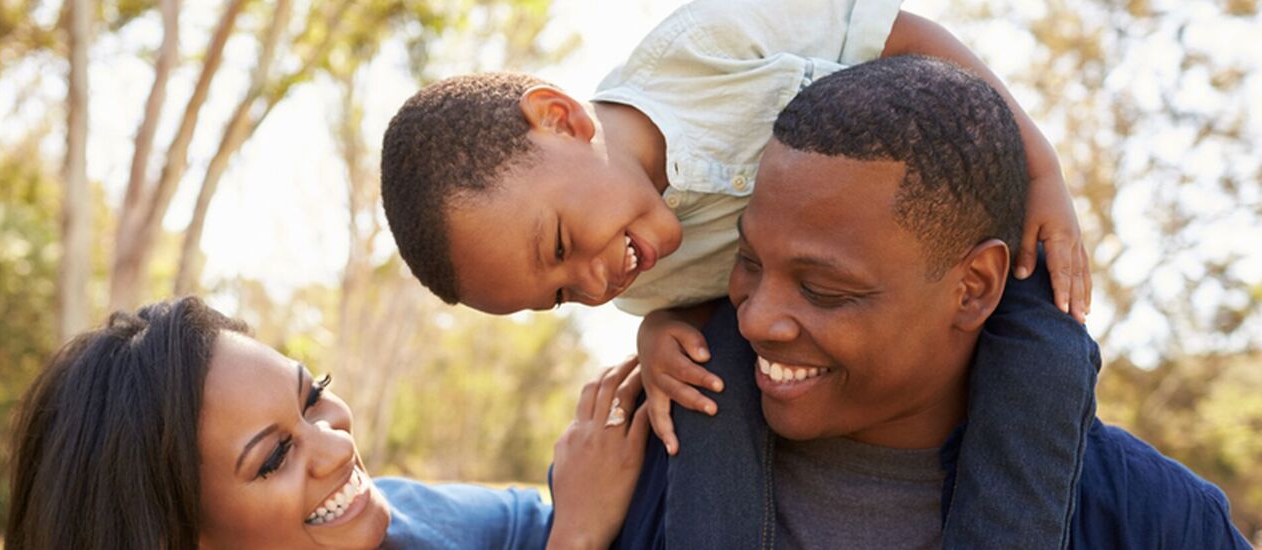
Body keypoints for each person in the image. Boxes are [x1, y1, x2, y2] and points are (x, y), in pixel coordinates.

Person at [380, 0, 1094, 546]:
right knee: (706, 386)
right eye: (563, 294)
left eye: (563, 243)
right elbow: (709, 304)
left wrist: (1040, 170)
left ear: (560, 118)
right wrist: (658, 332)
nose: (595, 285)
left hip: (945, 247)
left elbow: (899, 34)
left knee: (1050, 357)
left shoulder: (704, 49)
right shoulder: (640, 274)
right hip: (814, 335)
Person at [610, 55, 1249, 549]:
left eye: (823, 290)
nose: (754, 318)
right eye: (749, 261)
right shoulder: (637, 463)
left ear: (974, 287)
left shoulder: (1154, 521)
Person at [3, 295, 652, 550]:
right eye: (273, 458)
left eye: (313, 396)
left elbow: (526, 523)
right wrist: (580, 538)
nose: (338, 446)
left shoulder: (396, 525)